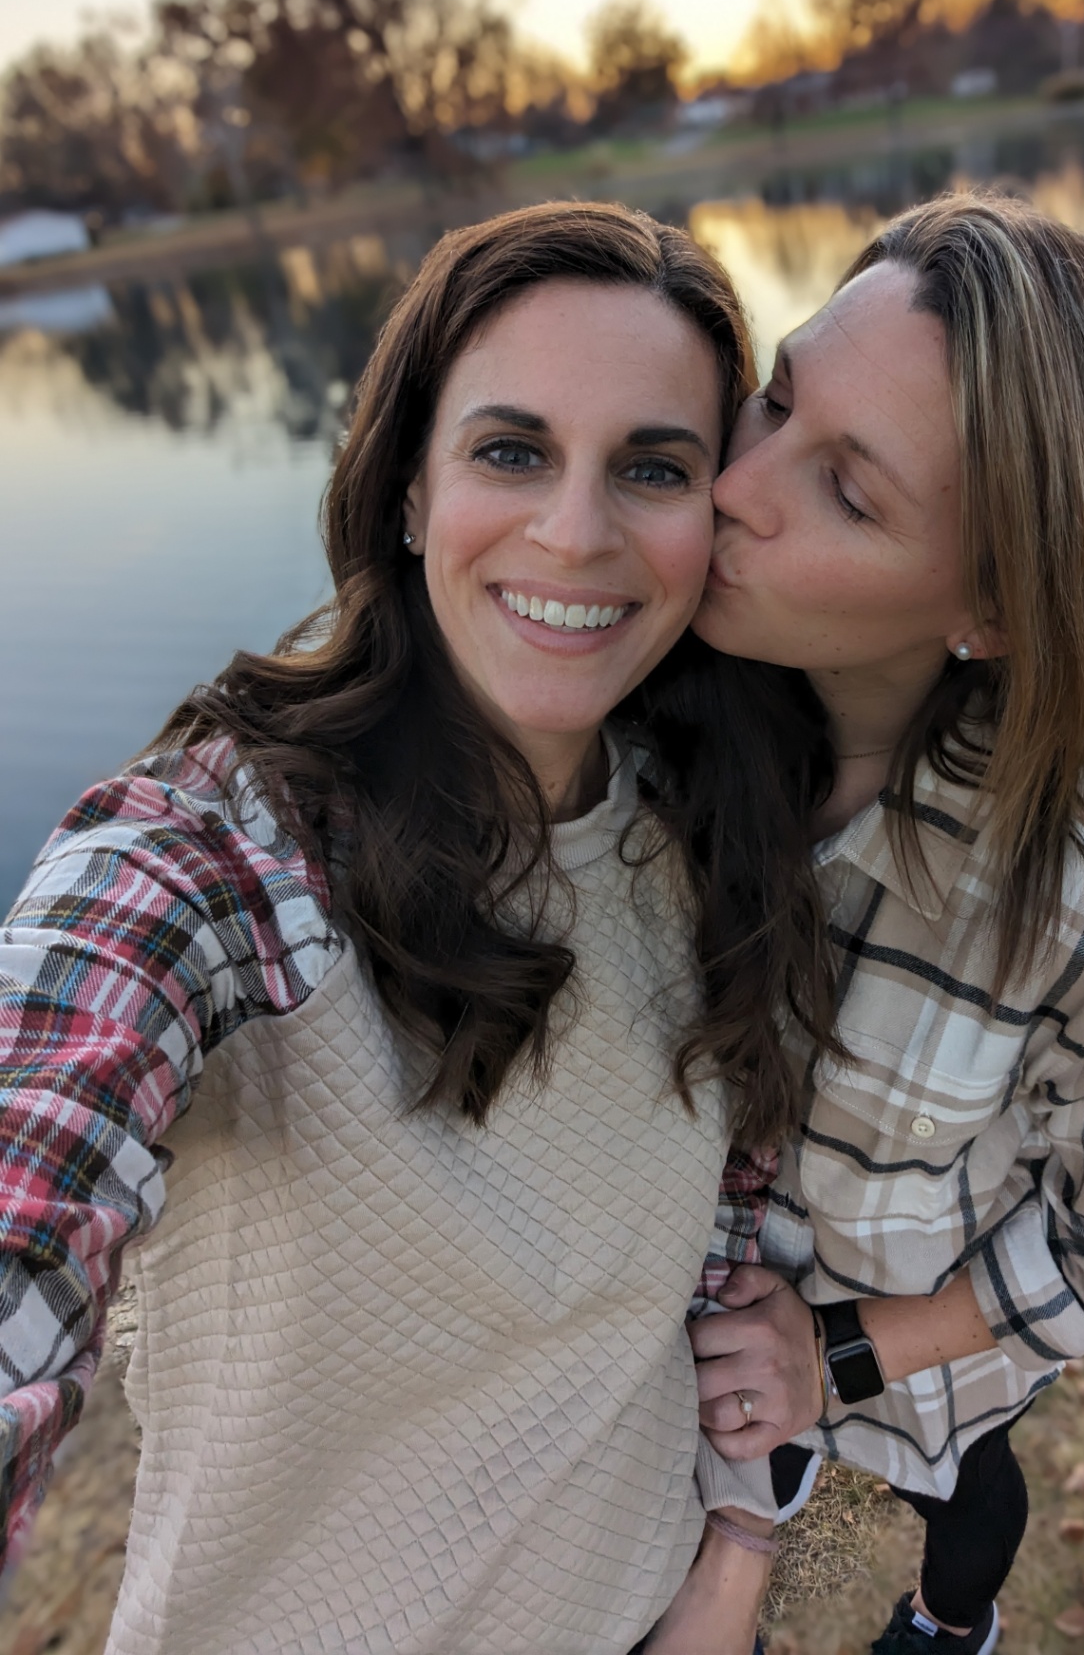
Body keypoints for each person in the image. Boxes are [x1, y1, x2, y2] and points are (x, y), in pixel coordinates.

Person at [0, 201, 836, 1654]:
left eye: (653, 466)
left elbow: (710, 1282)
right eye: (510, 452)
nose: (575, 534)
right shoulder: (219, 855)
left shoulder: (722, 839)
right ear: (404, 488)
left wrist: (736, 1570)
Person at [681, 191, 1084, 1654]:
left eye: (848, 492)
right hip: (700, 1342)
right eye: (778, 399)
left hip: (937, 1353)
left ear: (991, 604)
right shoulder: (662, 726)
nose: (733, 486)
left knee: (969, 1498)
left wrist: (848, 1352)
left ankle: (952, 1627)